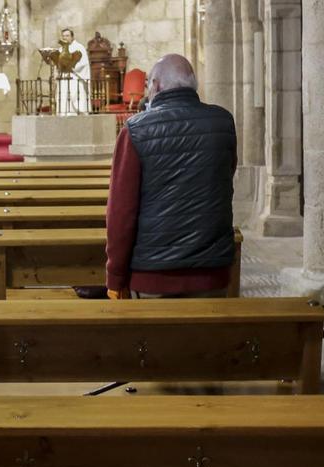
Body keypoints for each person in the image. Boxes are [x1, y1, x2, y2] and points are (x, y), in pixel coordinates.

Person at [104, 54, 237, 299]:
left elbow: (121, 214)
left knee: (153, 339)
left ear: (155, 85)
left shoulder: (135, 130)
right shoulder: (223, 122)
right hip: (211, 271)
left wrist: (115, 277)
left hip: (153, 275)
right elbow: (225, 180)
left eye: (147, 86)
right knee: (207, 338)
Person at [57, 28, 91, 114]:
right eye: (63, 36)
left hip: (75, 76)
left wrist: (71, 65)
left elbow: (84, 63)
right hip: (64, 77)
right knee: (63, 96)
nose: (65, 38)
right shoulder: (61, 49)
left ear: (72, 37)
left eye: (67, 36)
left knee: (75, 95)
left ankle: (77, 114)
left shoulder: (79, 47)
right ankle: (64, 114)